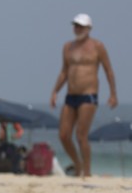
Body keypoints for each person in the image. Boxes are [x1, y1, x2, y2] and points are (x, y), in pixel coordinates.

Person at [49, 13, 118, 178]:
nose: (77, 29)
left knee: (81, 135)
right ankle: (77, 164)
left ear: (88, 28)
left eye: (80, 26)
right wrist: (55, 91)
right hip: (71, 94)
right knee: (64, 135)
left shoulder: (97, 46)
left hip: (89, 95)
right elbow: (64, 71)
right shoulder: (68, 47)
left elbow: (108, 70)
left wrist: (113, 94)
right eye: (75, 25)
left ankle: (87, 172)